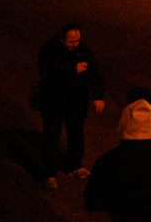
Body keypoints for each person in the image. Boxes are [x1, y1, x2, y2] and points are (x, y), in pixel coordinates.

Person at [38, 23, 105, 191]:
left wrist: (98, 96)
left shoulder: (83, 50)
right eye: (71, 42)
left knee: (76, 133)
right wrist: (71, 70)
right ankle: (49, 173)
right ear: (62, 39)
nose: (75, 44)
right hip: (54, 101)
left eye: (78, 41)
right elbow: (47, 74)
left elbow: (93, 72)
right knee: (51, 136)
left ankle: (74, 165)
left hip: (76, 101)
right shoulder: (48, 50)